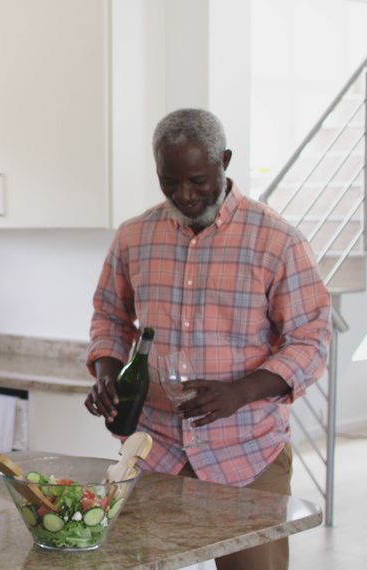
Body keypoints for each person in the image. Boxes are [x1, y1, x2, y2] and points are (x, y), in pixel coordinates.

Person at [85, 108, 332, 569]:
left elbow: (311, 340)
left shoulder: (278, 241)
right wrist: (105, 371)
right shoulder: (134, 237)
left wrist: (241, 392)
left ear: (225, 160)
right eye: (170, 182)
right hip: (152, 450)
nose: (185, 195)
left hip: (247, 454)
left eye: (198, 180)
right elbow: (110, 316)